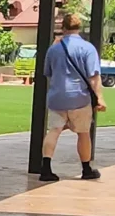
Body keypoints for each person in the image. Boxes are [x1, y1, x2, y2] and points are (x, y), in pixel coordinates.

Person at [37, 9, 104, 182]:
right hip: (79, 98)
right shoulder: (88, 48)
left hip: (57, 97)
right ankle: (86, 168)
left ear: (63, 28)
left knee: (54, 131)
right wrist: (99, 98)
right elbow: (94, 76)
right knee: (83, 133)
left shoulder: (54, 49)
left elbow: (48, 73)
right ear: (79, 27)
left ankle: (46, 168)